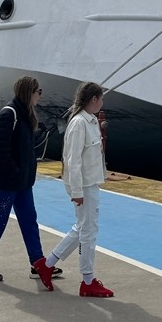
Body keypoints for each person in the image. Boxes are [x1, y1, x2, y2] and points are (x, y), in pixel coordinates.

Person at [0, 76, 57, 289]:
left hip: (22, 182)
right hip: (6, 182)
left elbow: (24, 147)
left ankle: (37, 263)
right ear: (28, 92)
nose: (40, 95)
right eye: (38, 91)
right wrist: (14, 172)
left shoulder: (26, 115)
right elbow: (0, 150)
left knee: (29, 220)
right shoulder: (9, 113)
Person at [43, 82, 113, 298]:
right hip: (83, 186)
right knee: (89, 232)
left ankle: (48, 264)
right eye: (101, 99)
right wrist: (76, 192)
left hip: (90, 183)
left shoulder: (89, 122)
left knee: (82, 228)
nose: (102, 103)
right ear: (93, 99)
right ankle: (88, 280)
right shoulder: (79, 124)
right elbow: (72, 161)